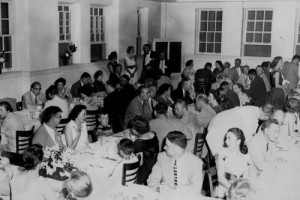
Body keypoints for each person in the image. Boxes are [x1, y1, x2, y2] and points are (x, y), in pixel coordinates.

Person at [206, 104, 274, 155]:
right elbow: (248, 140)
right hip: (217, 131)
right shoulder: (252, 118)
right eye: (267, 118)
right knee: (224, 160)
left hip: (216, 123)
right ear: (265, 115)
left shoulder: (252, 109)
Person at [216, 128, 252, 198]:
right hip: (225, 189)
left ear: (238, 141)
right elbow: (220, 178)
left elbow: (246, 177)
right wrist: (235, 190)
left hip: (239, 189)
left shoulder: (245, 156)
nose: (226, 141)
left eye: (229, 138)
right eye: (226, 138)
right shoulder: (223, 154)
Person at [127, 116, 159, 185]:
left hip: (146, 168)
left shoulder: (139, 142)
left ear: (135, 130)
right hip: (156, 163)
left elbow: (138, 161)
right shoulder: (152, 133)